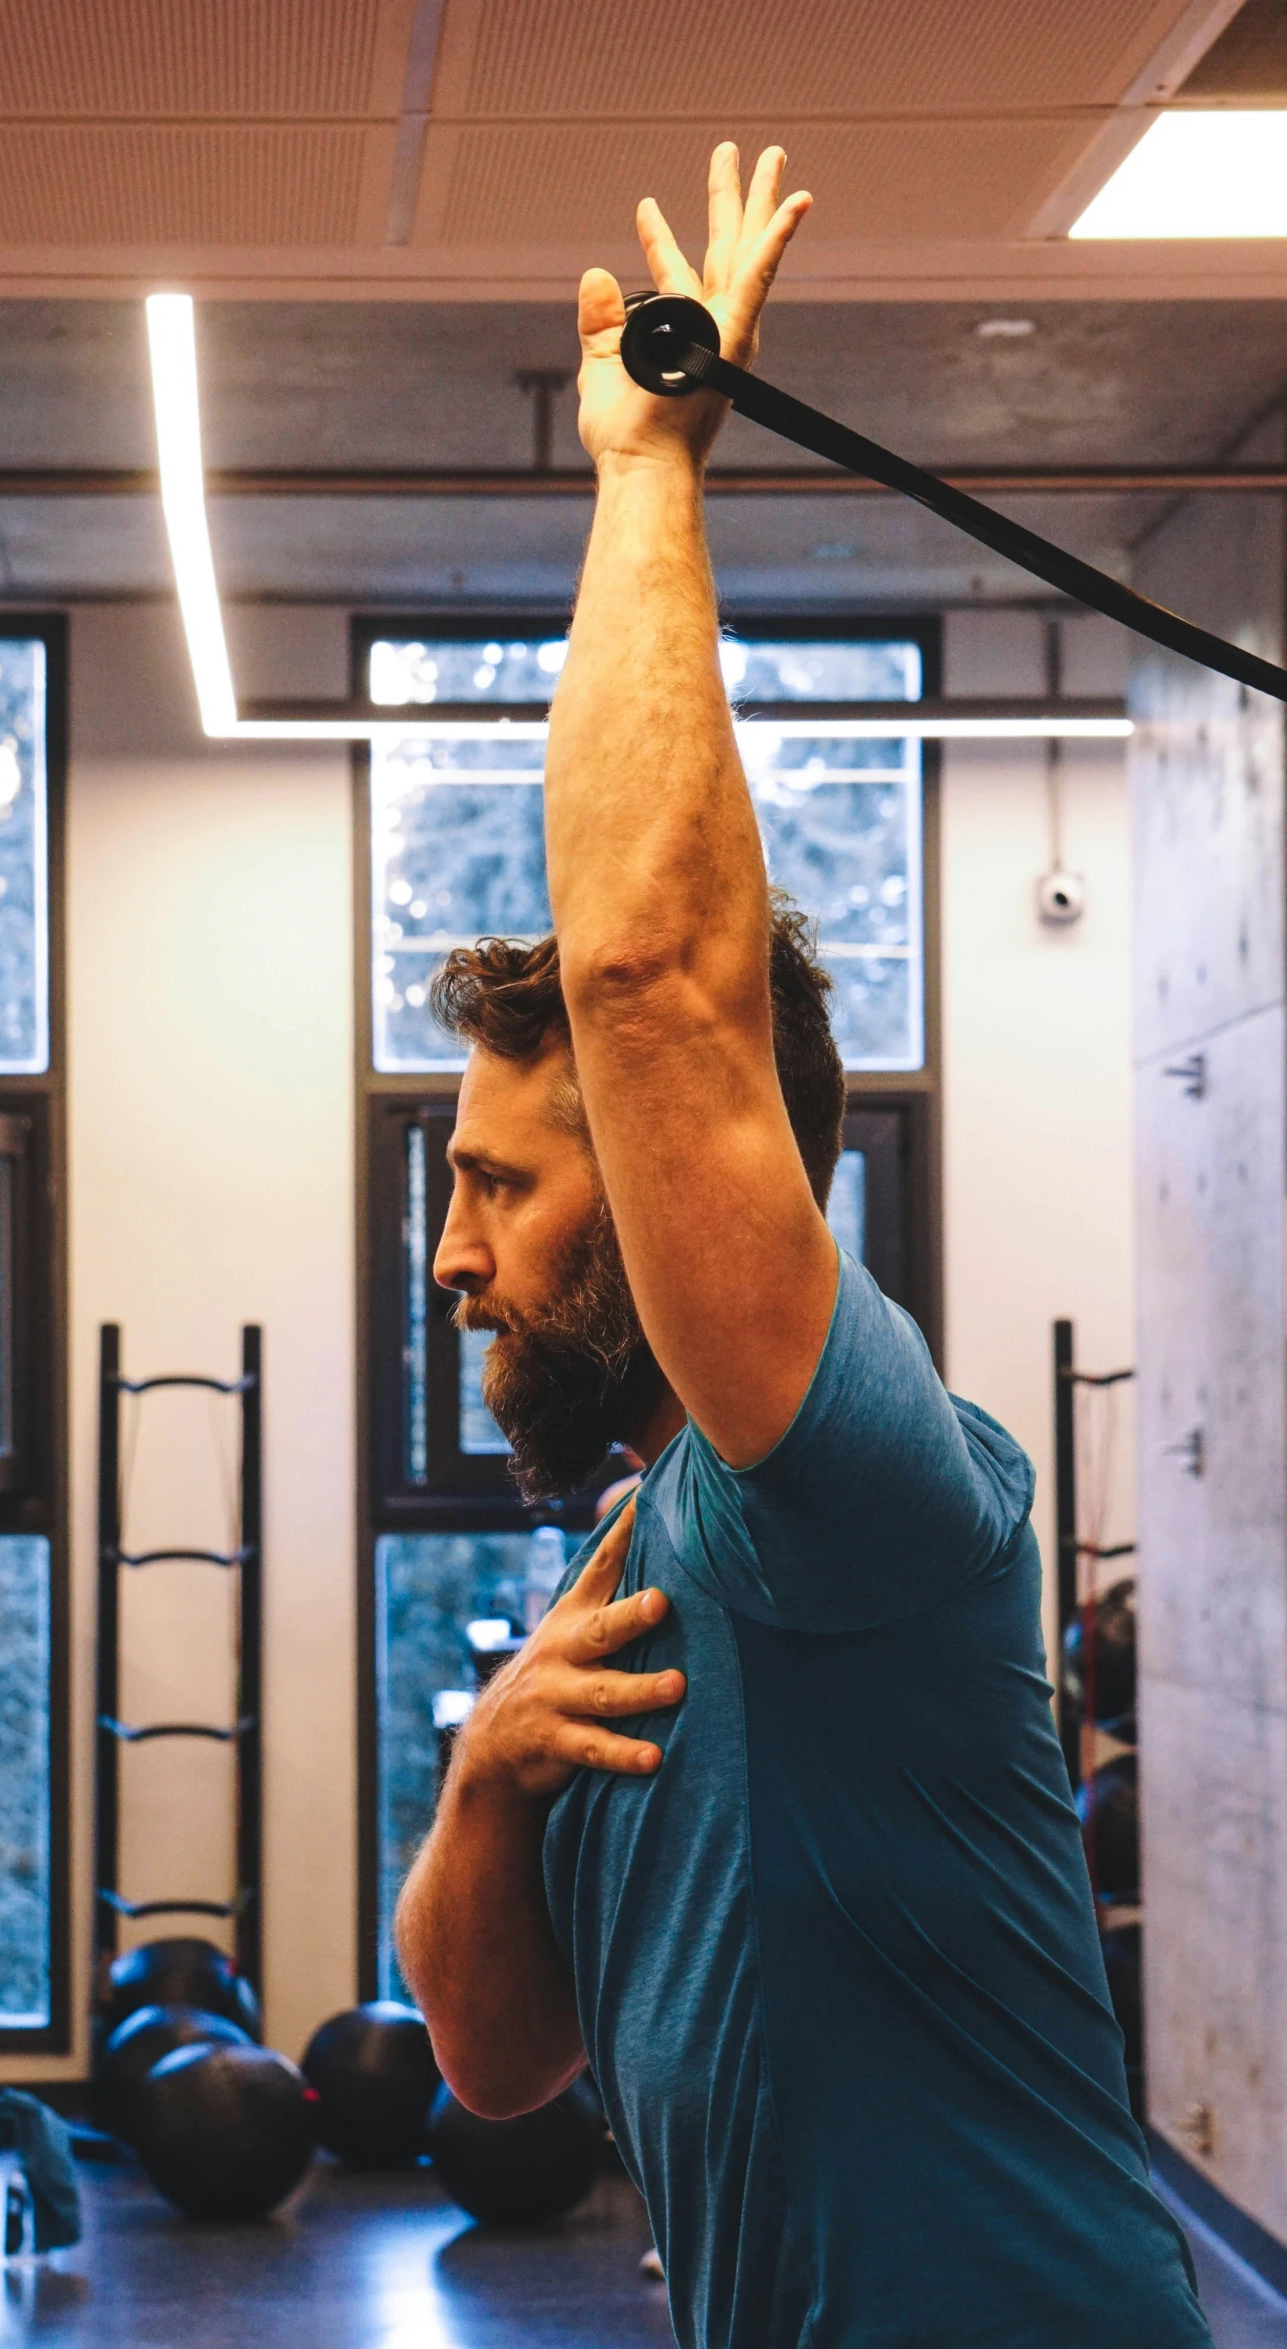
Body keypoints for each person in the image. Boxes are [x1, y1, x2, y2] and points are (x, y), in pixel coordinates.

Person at [395, 142, 1213, 2349]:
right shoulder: (638, 1547)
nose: (449, 1259)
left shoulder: (851, 1481)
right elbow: (497, 2068)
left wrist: (648, 461)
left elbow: (654, 975)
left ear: (671, 1189)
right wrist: (482, 1782)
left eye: (495, 1186)